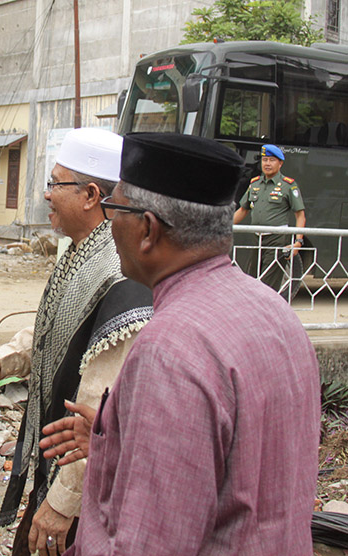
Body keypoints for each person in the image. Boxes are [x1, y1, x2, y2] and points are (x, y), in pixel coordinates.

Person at [42, 133, 320, 555]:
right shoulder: (276, 311)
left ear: (148, 230)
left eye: (114, 209)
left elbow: (150, 541)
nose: (109, 223)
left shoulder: (170, 348)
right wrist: (117, 440)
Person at [0, 128, 153, 556]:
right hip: (58, 464)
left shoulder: (118, 272)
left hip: (88, 488)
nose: (47, 194)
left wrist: (62, 503)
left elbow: (98, 404)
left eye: (55, 183)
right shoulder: (82, 250)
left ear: (91, 195)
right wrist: (5, 360)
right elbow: (56, 327)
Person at [233, 144, 305, 293]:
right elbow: (242, 210)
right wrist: (222, 227)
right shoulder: (255, 184)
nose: (267, 164)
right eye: (265, 160)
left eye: (272, 160)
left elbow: (300, 215)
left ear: (280, 163)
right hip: (256, 239)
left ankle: (267, 313)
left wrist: (298, 242)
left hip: (277, 239)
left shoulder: (288, 186)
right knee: (251, 280)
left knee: (268, 284)